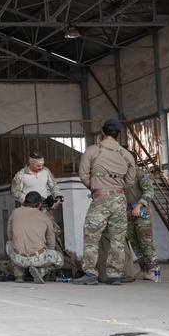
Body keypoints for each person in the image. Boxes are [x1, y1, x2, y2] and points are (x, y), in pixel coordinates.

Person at [73, 119, 136, 286]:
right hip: (120, 199)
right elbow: (130, 181)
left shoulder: (93, 151)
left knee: (92, 236)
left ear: (102, 131)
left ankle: (90, 273)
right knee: (117, 238)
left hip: (100, 198)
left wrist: (96, 188)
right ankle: (115, 275)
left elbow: (83, 175)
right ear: (118, 134)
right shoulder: (127, 154)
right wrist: (116, 187)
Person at [6, 191, 64, 284]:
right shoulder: (46, 218)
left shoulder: (14, 212)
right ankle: (41, 271)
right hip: (38, 258)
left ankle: (19, 275)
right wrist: (47, 253)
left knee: (10, 244)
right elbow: (51, 242)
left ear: (25, 202)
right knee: (60, 259)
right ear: (40, 204)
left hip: (19, 258)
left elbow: (10, 235)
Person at [10, 151, 64, 246]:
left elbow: (54, 185)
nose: (41, 168)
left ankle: (55, 253)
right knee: (30, 230)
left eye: (42, 165)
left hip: (44, 206)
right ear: (31, 163)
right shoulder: (21, 175)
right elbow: (14, 192)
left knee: (53, 230)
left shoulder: (45, 171)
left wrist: (58, 197)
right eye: (38, 166)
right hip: (28, 208)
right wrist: (28, 200)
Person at [124, 152, 157, 281]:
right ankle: (144, 269)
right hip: (128, 213)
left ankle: (153, 270)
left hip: (141, 212)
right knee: (135, 243)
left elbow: (149, 191)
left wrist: (139, 205)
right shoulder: (123, 176)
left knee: (146, 242)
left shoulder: (141, 174)